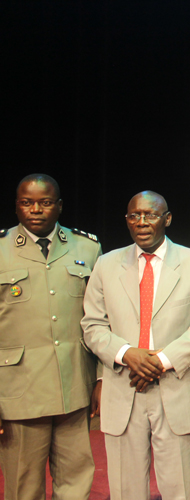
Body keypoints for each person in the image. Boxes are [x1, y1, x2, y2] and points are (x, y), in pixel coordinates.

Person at [81, 191, 190, 500]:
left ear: (167, 219)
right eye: (134, 216)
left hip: (174, 386)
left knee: (179, 489)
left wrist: (161, 360)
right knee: (125, 490)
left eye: (150, 215)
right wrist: (127, 354)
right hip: (124, 386)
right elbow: (92, 325)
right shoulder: (106, 265)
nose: (141, 222)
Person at [0, 174, 101, 500]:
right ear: (16, 207)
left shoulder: (87, 247)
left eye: (45, 203)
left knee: (76, 483)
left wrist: (100, 378)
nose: (36, 210)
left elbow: (101, 320)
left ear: (58, 206)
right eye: (27, 203)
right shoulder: (1, 250)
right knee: (23, 486)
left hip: (73, 385)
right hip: (19, 391)